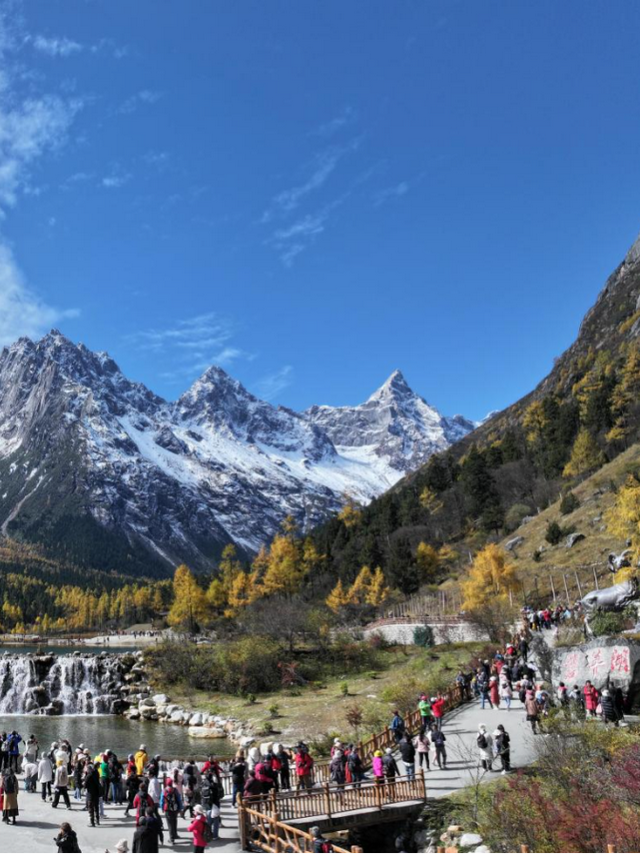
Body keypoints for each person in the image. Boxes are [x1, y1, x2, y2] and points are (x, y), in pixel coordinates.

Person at [160, 778, 182, 843]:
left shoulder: (164, 790)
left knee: (170, 824)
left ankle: (171, 839)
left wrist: (162, 808)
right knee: (174, 821)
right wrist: (180, 808)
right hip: (175, 808)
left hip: (167, 809)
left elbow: (162, 801)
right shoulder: (175, 790)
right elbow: (179, 799)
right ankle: (175, 835)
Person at [84, 762, 102, 827]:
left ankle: (92, 822)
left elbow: (85, 785)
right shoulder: (96, 773)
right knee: (96, 807)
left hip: (90, 793)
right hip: (96, 792)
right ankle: (97, 820)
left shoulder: (88, 775)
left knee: (91, 807)